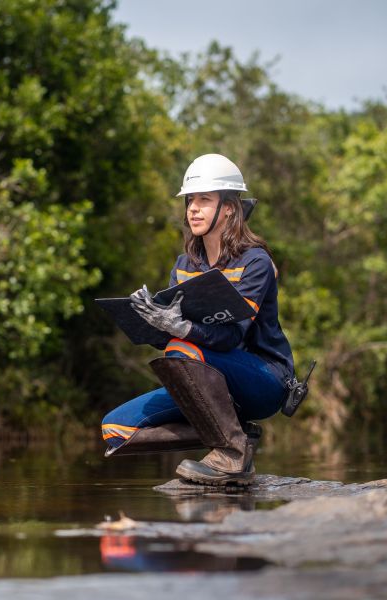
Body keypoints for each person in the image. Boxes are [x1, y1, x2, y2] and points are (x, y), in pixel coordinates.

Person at [101, 153, 294, 486]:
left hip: (263, 380)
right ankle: (237, 435)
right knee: (115, 429)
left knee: (182, 347)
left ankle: (232, 455)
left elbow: (232, 337)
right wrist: (152, 320)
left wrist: (182, 328)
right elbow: (170, 341)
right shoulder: (185, 265)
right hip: (206, 383)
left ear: (229, 208)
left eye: (204, 200)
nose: (193, 208)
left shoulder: (255, 262)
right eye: (190, 200)